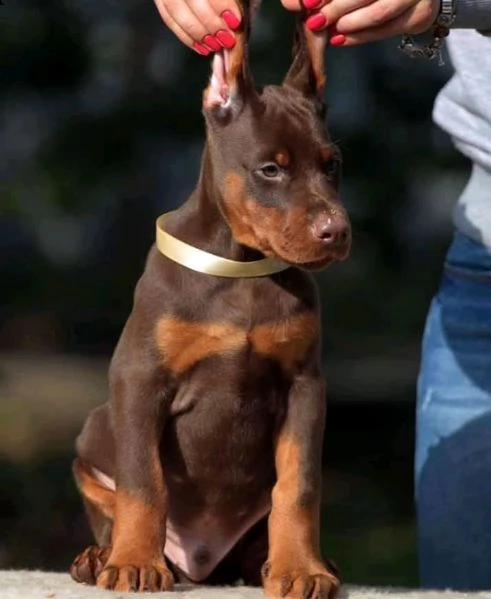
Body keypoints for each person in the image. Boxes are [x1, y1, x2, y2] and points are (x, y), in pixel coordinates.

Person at [153, 0, 491, 589]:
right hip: (481, 255)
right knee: (460, 583)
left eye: (329, 171)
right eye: (275, 172)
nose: (333, 219)